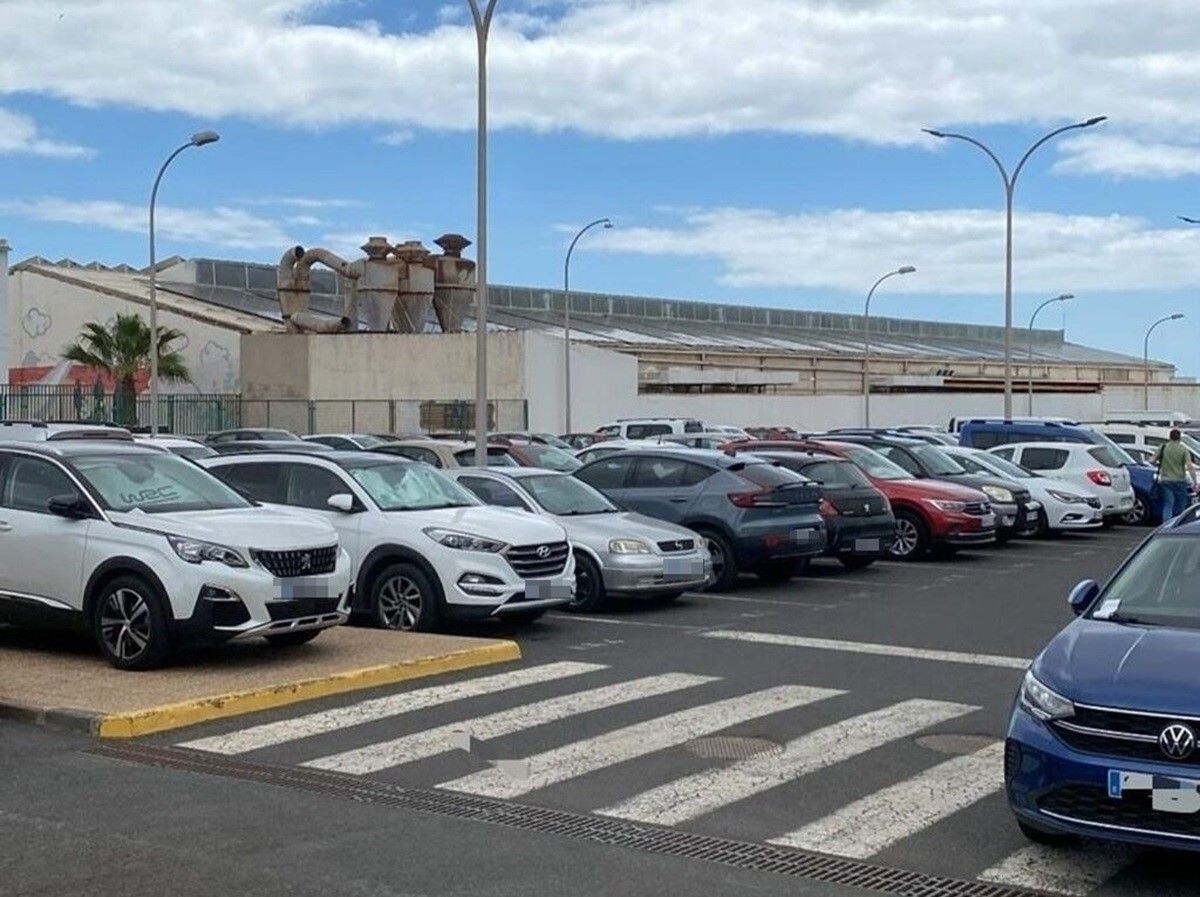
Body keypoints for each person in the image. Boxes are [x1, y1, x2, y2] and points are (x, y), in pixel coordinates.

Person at [1152, 429, 1197, 520]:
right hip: (1180, 480)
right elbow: (1189, 466)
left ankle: (1166, 526)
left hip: (1166, 480)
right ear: (1179, 438)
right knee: (1181, 506)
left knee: (1168, 504)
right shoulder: (1183, 450)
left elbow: (1152, 460)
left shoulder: (1163, 447)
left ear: (1170, 437)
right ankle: (1178, 526)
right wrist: (1195, 481)